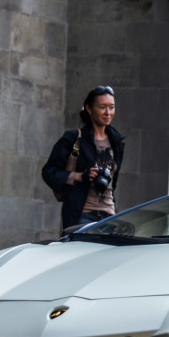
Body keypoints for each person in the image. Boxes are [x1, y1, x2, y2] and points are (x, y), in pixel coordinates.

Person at [42, 86, 125, 230]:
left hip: (109, 216)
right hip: (81, 215)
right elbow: (49, 172)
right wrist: (80, 176)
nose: (108, 113)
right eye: (102, 107)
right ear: (89, 108)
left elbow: (113, 182)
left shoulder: (117, 142)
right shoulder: (74, 138)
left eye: (111, 107)